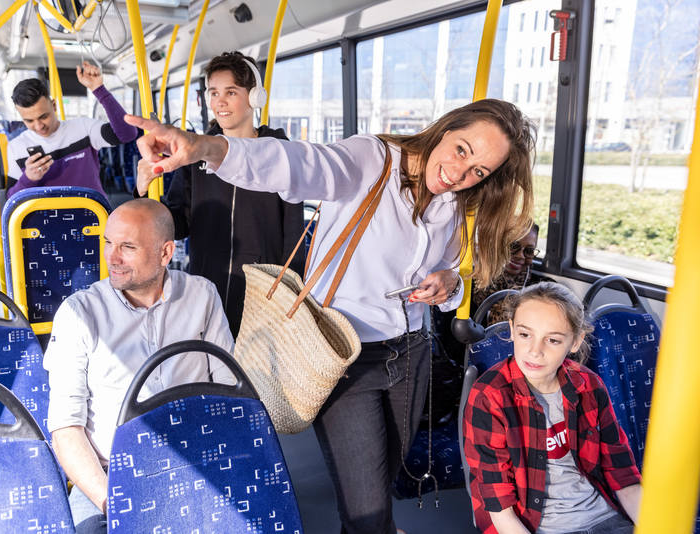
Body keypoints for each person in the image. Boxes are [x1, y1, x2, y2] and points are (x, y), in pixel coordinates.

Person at [125, 97, 536, 534]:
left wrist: (448, 283)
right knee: (368, 512)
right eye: (461, 150)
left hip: (412, 354)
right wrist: (205, 147)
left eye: (478, 171)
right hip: (343, 358)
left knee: (380, 487)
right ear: (447, 127)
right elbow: (294, 164)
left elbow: (455, 272)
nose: (459, 174)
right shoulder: (371, 159)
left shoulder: (459, 202)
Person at [43, 198, 235, 533]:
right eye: (107, 243)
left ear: (165, 253)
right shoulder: (78, 314)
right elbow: (65, 429)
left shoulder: (203, 296)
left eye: (127, 247)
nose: (111, 258)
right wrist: (113, 504)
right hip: (110, 474)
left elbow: (229, 395)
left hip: (194, 461)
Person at [136, 51, 305, 337]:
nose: (220, 102)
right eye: (214, 93)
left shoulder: (281, 155)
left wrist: (291, 291)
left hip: (263, 289)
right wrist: (144, 192)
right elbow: (177, 224)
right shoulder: (194, 155)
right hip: (206, 283)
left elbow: (294, 235)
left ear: (255, 98)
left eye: (230, 92)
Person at [463, 282, 643, 534]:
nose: (535, 351)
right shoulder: (490, 396)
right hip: (532, 525)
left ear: (576, 342)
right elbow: (499, 504)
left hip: (603, 517)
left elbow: (623, 474)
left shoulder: (589, 386)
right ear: (512, 329)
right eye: (526, 335)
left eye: (553, 340)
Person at [6, 61, 137, 198]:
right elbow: (10, 198)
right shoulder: (16, 147)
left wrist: (99, 89)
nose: (39, 126)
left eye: (43, 116)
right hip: (45, 217)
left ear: (54, 105)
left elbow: (127, 134)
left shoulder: (83, 128)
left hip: (91, 213)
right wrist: (28, 178)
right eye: (29, 121)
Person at [472, 223, 556, 325]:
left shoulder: (544, 289)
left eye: (529, 250)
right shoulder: (468, 286)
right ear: (497, 244)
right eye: (513, 246)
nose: (520, 256)